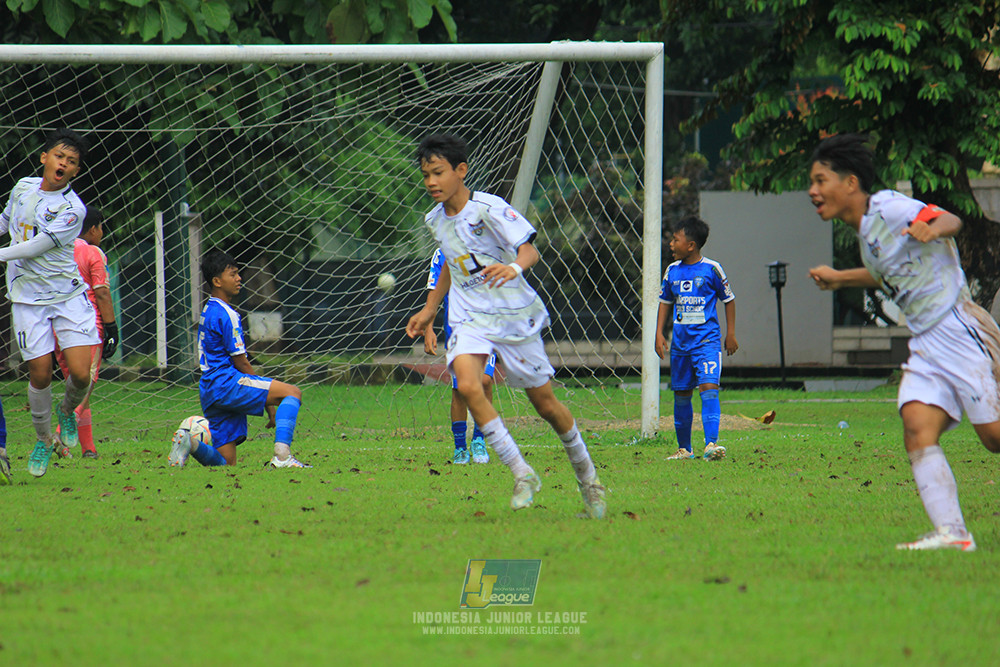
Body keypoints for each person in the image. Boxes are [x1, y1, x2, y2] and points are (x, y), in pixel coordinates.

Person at [807, 133, 1000, 551]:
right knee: (916, 427)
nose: (813, 191)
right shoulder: (865, 233)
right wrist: (840, 278)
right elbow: (886, 274)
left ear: (851, 183)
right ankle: (953, 534)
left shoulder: (889, 207)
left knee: (994, 438)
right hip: (927, 342)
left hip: (957, 327)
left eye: (821, 181)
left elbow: (950, 220)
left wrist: (931, 229)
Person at [405, 133, 606, 518]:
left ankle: (589, 481)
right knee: (467, 384)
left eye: (438, 173)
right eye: (426, 174)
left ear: (460, 171)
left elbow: (529, 249)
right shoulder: (434, 220)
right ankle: (521, 472)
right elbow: (450, 262)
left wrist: (511, 267)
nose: (431, 181)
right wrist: (430, 309)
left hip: (513, 313)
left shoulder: (488, 209)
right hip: (469, 317)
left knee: (545, 404)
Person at [0, 128, 100, 478]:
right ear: (45, 158)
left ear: (75, 172)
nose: (64, 163)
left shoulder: (73, 209)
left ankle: (66, 411)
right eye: (59, 156)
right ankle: (43, 440)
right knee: (40, 374)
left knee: (81, 374)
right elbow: (5, 221)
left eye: (71, 162)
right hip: (27, 299)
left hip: (67, 296)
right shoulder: (23, 187)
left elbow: (35, 246)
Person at [169, 248, 310, 469]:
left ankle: (191, 443)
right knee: (292, 393)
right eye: (232, 274)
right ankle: (282, 457)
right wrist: (269, 406)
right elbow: (242, 362)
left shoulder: (209, 309)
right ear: (217, 281)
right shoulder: (228, 314)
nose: (239, 278)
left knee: (226, 463)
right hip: (227, 383)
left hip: (210, 388)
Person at [655, 216, 738, 461]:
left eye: (675, 239)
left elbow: (729, 299)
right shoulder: (672, 271)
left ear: (691, 245)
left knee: (709, 387)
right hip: (681, 345)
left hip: (707, 342)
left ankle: (711, 444)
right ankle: (684, 449)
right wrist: (659, 333)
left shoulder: (712, 269)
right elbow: (665, 303)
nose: (671, 244)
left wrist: (730, 333)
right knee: (681, 393)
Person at [54, 207, 119, 459]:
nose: (102, 233)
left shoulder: (60, 252)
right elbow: (101, 292)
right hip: (87, 330)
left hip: (60, 328)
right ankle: (57, 437)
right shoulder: (93, 252)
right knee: (84, 388)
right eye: (101, 227)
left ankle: (89, 449)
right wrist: (112, 328)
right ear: (93, 228)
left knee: (79, 390)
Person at [424, 247, 493, 465]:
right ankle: (460, 447)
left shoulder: (487, 247)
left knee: (485, 381)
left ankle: (479, 440)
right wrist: (428, 329)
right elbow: (434, 292)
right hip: (457, 329)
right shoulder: (442, 252)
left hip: (486, 326)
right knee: (460, 388)